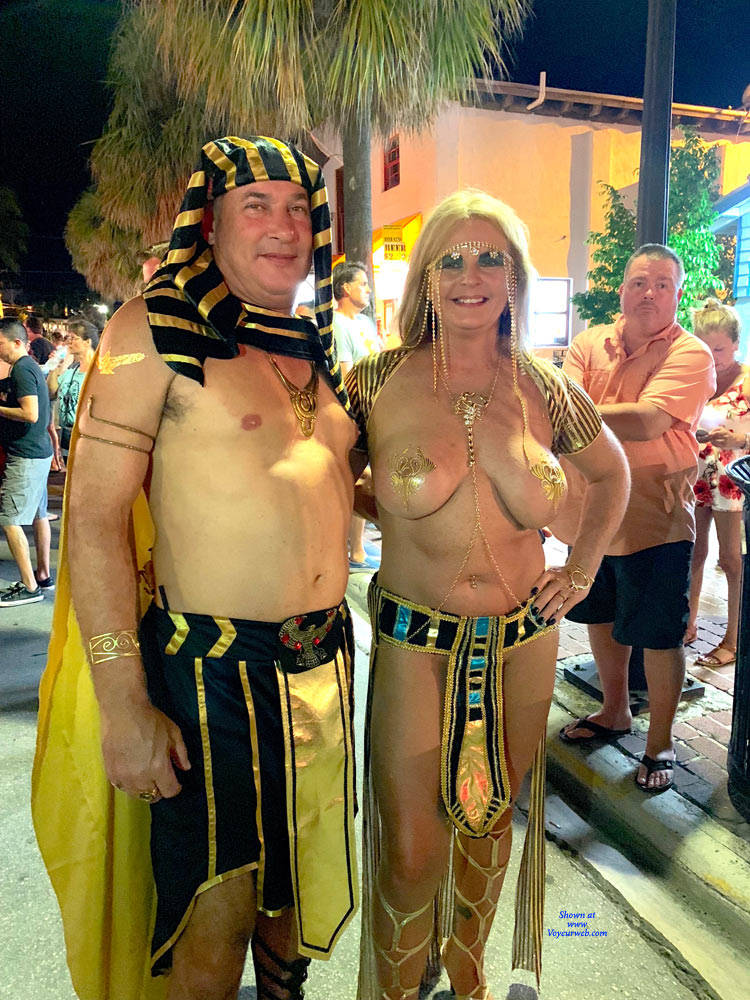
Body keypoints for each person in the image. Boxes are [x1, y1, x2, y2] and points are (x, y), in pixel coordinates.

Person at [32, 137, 359, 1000]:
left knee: (297, 904)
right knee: (214, 926)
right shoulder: (156, 329)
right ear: (210, 223)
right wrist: (123, 704)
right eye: (257, 205)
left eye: (298, 208)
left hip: (325, 664)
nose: (283, 226)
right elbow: (94, 519)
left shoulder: (318, 346)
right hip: (212, 676)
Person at [346, 190, 629, 1000]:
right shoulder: (372, 380)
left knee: (490, 820)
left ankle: (466, 978)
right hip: (414, 641)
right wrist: (380, 506)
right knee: (411, 849)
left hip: (523, 639)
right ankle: (400, 986)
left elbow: (612, 474)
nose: (471, 276)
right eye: (452, 260)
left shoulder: (546, 385)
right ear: (426, 280)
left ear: (515, 278)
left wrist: (580, 572)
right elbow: (320, 480)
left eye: (490, 259)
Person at [556, 245, 716, 793]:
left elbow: (648, 421)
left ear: (677, 294)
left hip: (655, 516)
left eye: (663, 284)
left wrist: (568, 412)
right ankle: (614, 710)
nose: (650, 293)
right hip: (589, 512)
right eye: (640, 282)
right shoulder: (588, 342)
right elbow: (563, 400)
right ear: (622, 289)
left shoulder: (691, 353)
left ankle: (660, 743)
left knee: (659, 634)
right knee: (599, 614)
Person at [686, 298, 749, 664]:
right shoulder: (698, 378)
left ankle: (733, 639)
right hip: (697, 474)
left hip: (733, 481)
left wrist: (739, 440)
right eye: (705, 349)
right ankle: (688, 623)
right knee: (693, 551)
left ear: (737, 344)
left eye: (720, 349)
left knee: (731, 559)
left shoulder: (747, 379)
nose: (713, 357)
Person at [0, 318, 54, 604]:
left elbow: (30, 413)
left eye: (0, 344)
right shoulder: (28, 367)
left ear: (17, 342)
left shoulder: (22, 368)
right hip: (38, 451)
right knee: (38, 515)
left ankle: (30, 587)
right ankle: (42, 576)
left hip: (26, 455)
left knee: (9, 519)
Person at [332, 260, 382, 569]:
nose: (367, 289)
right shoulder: (337, 324)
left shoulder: (364, 323)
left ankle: (358, 546)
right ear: (345, 288)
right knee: (354, 478)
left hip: (376, 409)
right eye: (362, 284)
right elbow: (348, 375)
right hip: (356, 412)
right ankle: (353, 550)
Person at [47, 319, 99, 455]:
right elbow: (51, 392)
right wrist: (55, 366)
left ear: (87, 342)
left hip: (88, 436)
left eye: (73, 338)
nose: (68, 342)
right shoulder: (71, 370)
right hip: (67, 434)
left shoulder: (98, 372)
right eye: (67, 338)